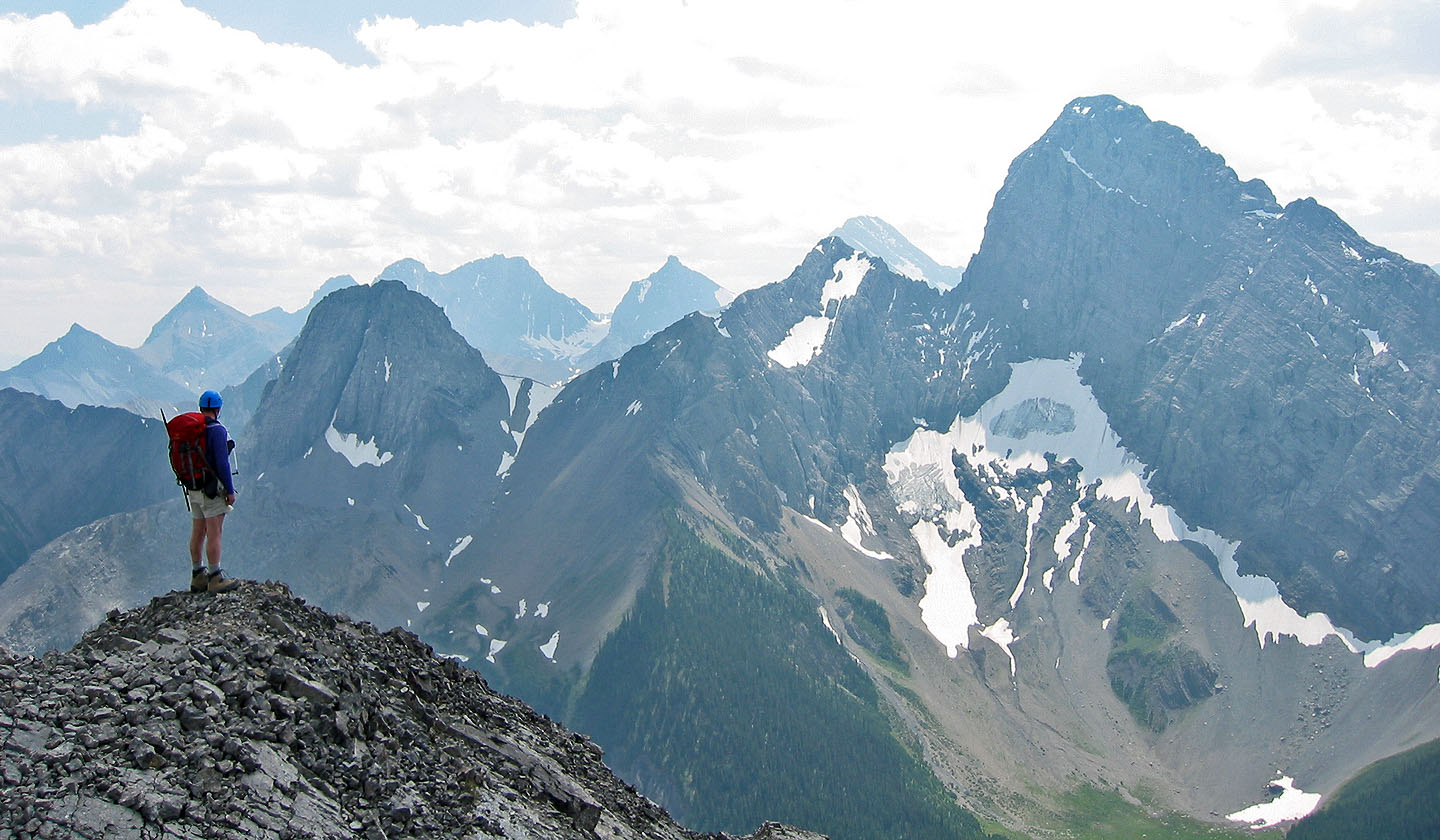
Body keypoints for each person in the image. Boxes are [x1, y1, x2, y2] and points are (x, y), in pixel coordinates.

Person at [188, 390, 239, 593]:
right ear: (218, 409)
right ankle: (215, 577)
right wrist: (229, 489)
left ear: (201, 408)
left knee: (198, 531)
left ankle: (197, 574)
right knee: (214, 531)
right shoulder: (217, 430)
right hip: (211, 489)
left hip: (193, 487)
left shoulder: (193, 429)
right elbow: (222, 463)